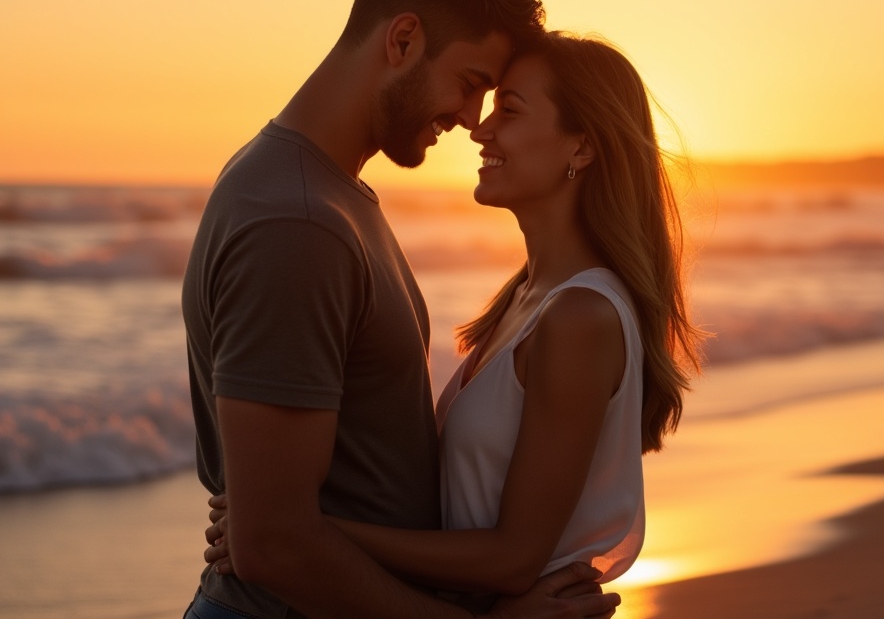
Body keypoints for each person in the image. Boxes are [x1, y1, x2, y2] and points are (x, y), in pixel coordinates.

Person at [181, 0, 620, 619]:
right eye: (471, 82)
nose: (471, 119)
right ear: (403, 39)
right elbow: (275, 545)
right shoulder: (297, 222)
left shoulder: (329, 196)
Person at [204, 31, 705, 611]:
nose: (481, 129)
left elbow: (513, 557)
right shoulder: (526, 297)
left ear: (582, 147)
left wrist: (303, 530)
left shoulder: (579, 316)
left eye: (509, 111)